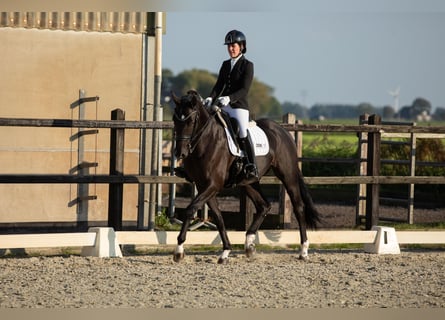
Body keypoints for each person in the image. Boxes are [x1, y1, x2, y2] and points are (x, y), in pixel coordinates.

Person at [204, 29, 258, 180]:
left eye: (233, 45)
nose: (230, 48)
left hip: (239, 106)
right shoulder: (225, 64)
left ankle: (251, 165)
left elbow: (244, 89)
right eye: (228, 46)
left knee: (242, 131)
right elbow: (218, 85)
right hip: (223, 105)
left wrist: (229, 98)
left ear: (241, 46)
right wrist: (209, 98)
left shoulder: (248, 65)